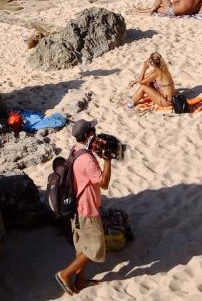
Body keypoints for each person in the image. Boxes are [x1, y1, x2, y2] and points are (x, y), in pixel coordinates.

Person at [56, 120, 111, 295]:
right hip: (87, 209)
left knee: (81, 246)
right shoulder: (87, 159)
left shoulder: (75, 150)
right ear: (88, 135)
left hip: (76, 208)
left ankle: (80, 280)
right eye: (93, 130)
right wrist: (107, 160)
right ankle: (65, 274)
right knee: (95, 247)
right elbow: (104, 183)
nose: (95, 133)